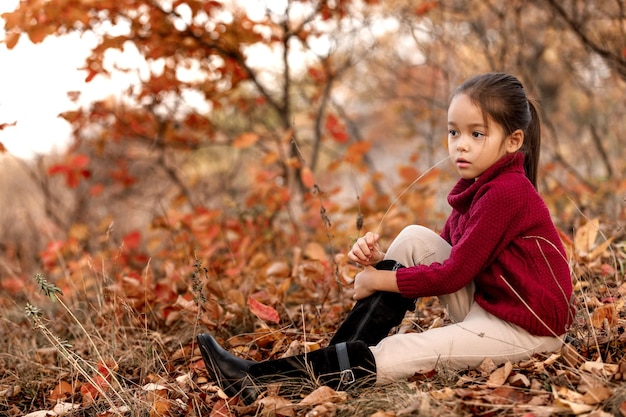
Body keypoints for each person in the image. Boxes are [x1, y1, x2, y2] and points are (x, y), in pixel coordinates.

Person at [196, 72, 574, 405]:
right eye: (453, 131)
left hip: (526, 329)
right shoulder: (481, 185)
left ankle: (257, 381)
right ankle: (334, 357)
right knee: (412, 238)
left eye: (477, 134)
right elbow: (440, 258)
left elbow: (452, 276)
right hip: (494, 305)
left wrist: (378, 279)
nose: (460, 144)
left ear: (513, 141)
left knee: (397, 349)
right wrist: (380, 262)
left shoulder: (507, 192)